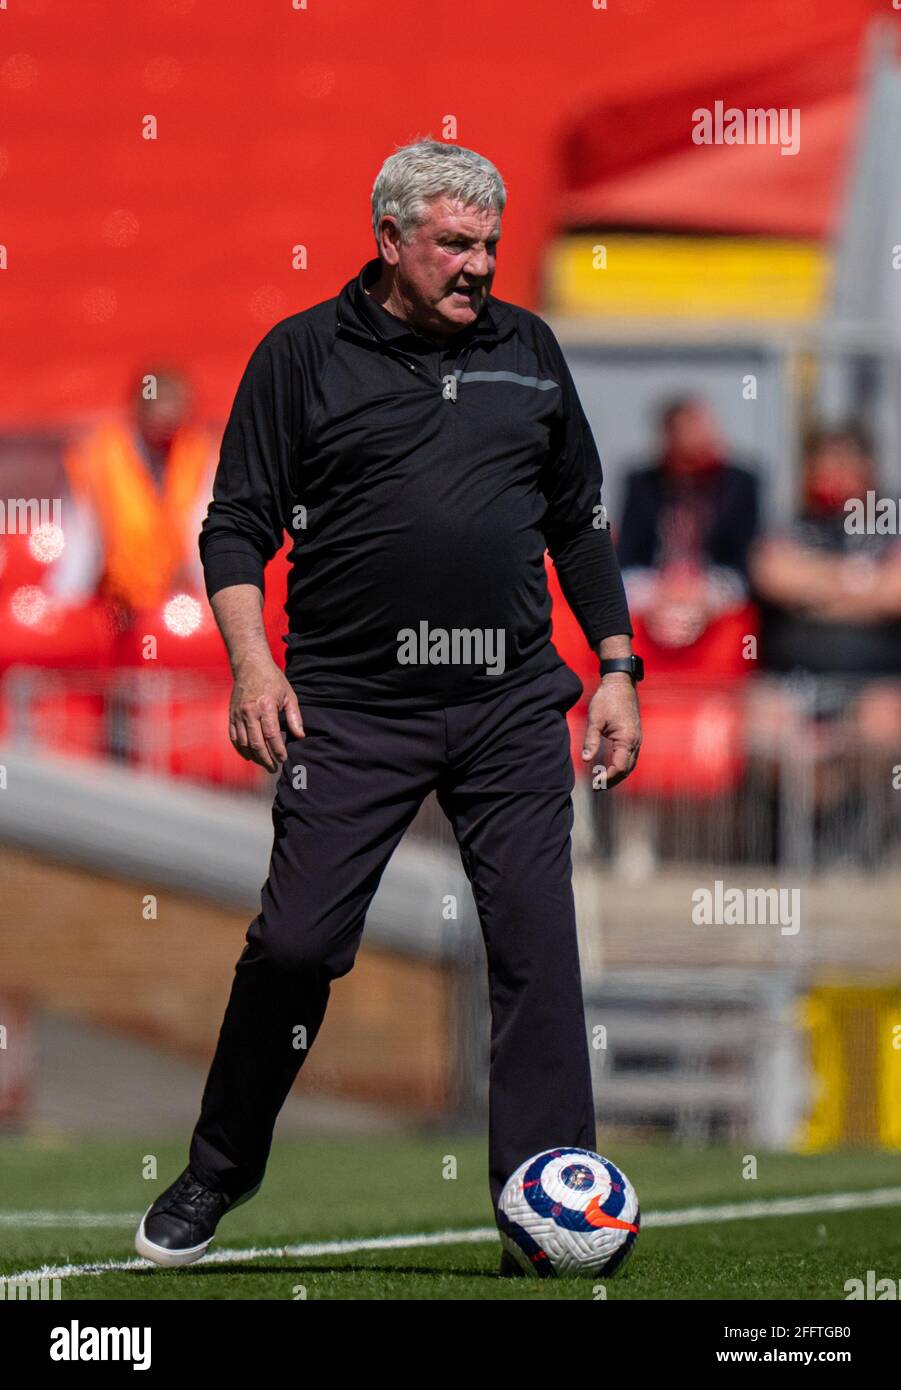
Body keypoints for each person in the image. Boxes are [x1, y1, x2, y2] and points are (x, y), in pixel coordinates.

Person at [135, 138, 643, 1271]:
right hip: (353, 710)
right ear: (389, 240)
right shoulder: (302, 355)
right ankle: (220, 1167)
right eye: (454, 245)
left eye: (491, 247)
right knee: (298, 942)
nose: (478, 267)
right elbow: (235, 526)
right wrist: (252, 665)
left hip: (509, 702)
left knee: (534, 947)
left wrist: (616, 665)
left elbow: (579, 521)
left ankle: (544, 1207)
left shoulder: (529, 349)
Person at [53, 367, 213, 628]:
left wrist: (210, 608)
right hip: (114, 611)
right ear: (138, 408)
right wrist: (67, 612)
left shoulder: (199, 456)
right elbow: (80, 542)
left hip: (178, 610)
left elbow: (203, 536)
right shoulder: (97, 458)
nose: (166, 422)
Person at [617, 395, 760, 671]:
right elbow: (629, 555)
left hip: (715, 583)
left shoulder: (739, 483)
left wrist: (700, 589)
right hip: (656, 585)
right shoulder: (643, 482)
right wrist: (662, 588)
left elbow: (744, 561)